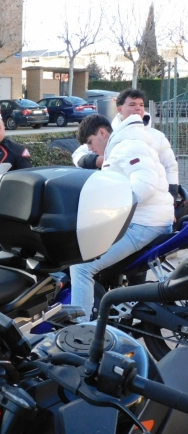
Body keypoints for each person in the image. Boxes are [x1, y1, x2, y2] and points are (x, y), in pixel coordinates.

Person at [71, 114, 173, 322]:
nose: (90, 149)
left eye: (90, 143)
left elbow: (146, 184)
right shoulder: (123, 144)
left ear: (102, 133)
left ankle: (79, 328)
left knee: (81, 267)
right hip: (149, 220)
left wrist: (115, 209)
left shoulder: (126, 146)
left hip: (145, 223)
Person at [73, 89, 179, 201]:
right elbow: (79, 154)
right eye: (132, 104)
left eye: (141, 105)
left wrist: (172, 199)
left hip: (148, 204)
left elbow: (170, 167)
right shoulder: (110, 133)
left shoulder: (157, 136)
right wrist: (100, 160)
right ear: (120, 109)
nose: (138, 108)